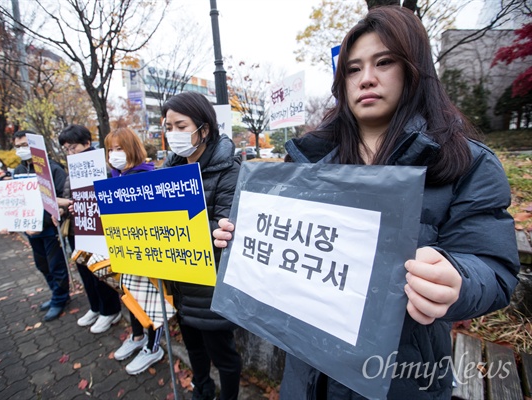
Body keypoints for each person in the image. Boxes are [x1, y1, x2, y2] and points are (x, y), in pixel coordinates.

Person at [213, 6, 519, 400]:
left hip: (400, 380)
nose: (367, 78)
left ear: (415, 69)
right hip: (306, 377)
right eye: (353, 69)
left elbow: (494, 268)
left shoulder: (468, 163)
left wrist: (457, 278)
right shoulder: (306, 164)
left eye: (384, 62)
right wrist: (239, 242)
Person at [163, 91, 242, 400]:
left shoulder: (229, 170)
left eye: (180, 126)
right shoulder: (168, 170)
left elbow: (226, 229)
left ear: (204, 129)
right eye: (168, 127)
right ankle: (202, 390)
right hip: (180, 280)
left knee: (223, 356)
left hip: (212, 287)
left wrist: (186, 230)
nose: (173, 135)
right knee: (193, 348)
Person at [103, 127, 164, 375]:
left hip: (148, 255)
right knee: (129, 295)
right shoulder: (113, 178)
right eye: (111, 149)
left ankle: (153, 346)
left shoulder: (149, 176)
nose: (115, 154)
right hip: (123, 252)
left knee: (150, 300)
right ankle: (137, 336)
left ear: (132, 149)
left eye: (120, 148)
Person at [57, 124, 122, 334]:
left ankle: (110, 310)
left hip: (97, 232)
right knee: (85, 271)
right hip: (76, 229)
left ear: (87, 143)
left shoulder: (100, 167)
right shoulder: (73, 168)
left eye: (73, 147)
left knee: (99, 272)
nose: (70, 152)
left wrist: (70, 204)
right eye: (66, 149)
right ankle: (95, 307)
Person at [13, 130, 71, 322]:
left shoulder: (53, 169)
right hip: (30, 229)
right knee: (42, 265)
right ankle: (56, 294)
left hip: (49, 229)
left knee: (56, 265)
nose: (21, 150)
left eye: (25, 145)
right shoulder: (19, 171)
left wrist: (46, 221)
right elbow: (19, 200)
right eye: (18, 146)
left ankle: (60, 299)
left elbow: (62, 200)